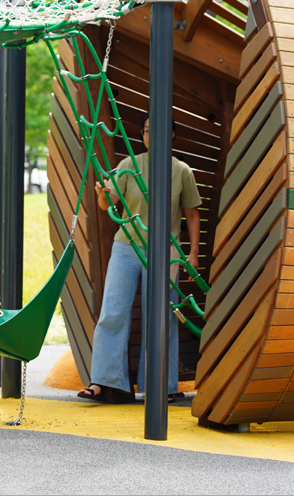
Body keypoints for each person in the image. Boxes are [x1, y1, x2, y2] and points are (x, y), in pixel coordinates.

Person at [78, 116, 201, 404]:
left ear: (171, 134)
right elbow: (107, 204)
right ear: (143, 135)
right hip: (127, 245)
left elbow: (192, 214)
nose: (151, 135)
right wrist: (102, 195)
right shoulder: (128, 165)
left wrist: (193, 254)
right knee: (113, 312)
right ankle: (105, 383)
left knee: (162, 317)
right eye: (146, 130)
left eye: (157, 130)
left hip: (166, 250)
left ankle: (162, 385)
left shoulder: (182, 171)